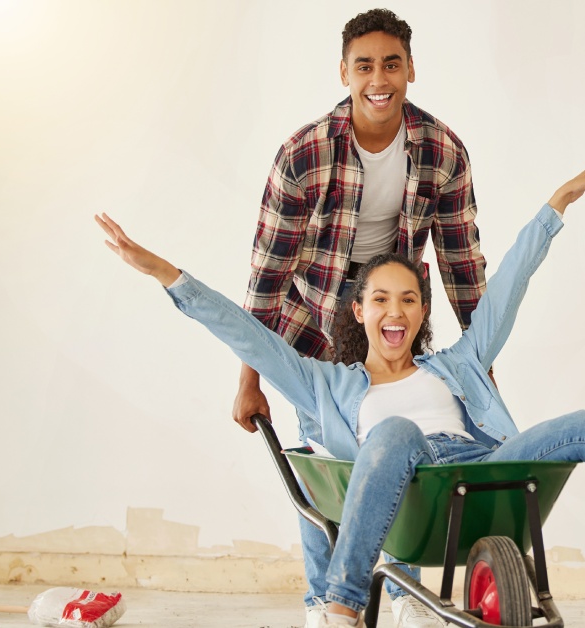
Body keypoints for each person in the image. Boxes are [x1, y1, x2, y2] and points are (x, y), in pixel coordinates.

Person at [95, 164, 585, 627]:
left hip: (480, 472)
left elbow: (505, 293)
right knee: (398, 436)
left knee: (579, 423)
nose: (395, 311)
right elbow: (246, 335)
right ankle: (344, 604)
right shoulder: (326, 385)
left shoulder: (457, 364)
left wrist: (552, 211)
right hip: (406, 498)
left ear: (419, 312)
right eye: (380, 298)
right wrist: (161, 270)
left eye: (408, 298)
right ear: (359, 312)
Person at [237, 9, 487, 626]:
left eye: (392, 64)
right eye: (365, 66)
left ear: (410, 69)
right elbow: (268, 274)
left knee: (397, 458)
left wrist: (483, 371)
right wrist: (250, 379)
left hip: (396, 326)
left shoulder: (442, 150)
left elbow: (462, 265)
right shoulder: (304, 154)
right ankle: (326, 603)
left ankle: (400, 597)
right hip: (317, 330)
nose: (380, 79)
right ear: (344, 73)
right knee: (331, 475)